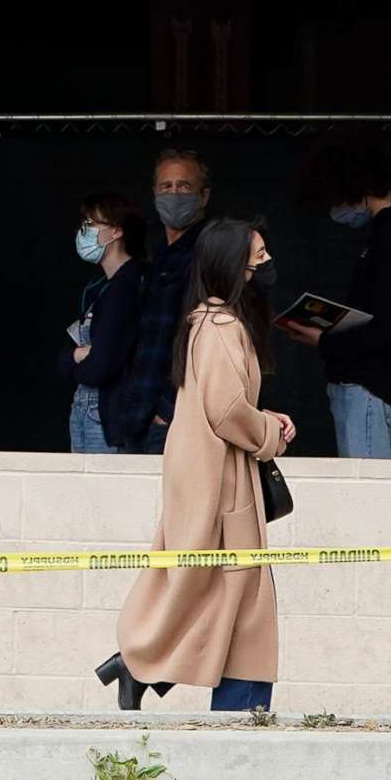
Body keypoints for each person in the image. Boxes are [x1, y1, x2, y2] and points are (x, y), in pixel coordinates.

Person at [101, 217, 295, 713]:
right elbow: (226, 411)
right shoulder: (223, 326)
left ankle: (142, 668)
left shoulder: (207, 322)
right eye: (259, 255)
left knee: (223, 603)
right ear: (235, 265)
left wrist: (261, 418)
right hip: (224, 486)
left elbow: (221, 403)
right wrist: (270, 433)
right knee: (245, 610)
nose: (266, 263)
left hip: (216, 479)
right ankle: (222, 714)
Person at [285, 133, 391, 458]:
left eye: (332, 197)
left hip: (373, 392)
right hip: (382, 391)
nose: (333, 209)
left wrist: (325, 340)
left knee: (369, 499)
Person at [122, 148, 214, 453]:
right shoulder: (157, 254)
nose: (174, 194)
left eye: (184, 186)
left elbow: (207, 341)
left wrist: (168, 410)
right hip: (139, 417)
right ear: (154, 193)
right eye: (166, 186)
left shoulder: (209, 253)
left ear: (204, 196)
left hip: (174, 421)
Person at [62, 192, 149, 454]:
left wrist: (78, 363)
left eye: (90, 225)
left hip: (105, 411)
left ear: (115, 232)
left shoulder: (127, 287)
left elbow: (101, 366)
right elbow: (63, 357)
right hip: (90, 407)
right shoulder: (100, 287)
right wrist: (77, 355)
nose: (82, 232)